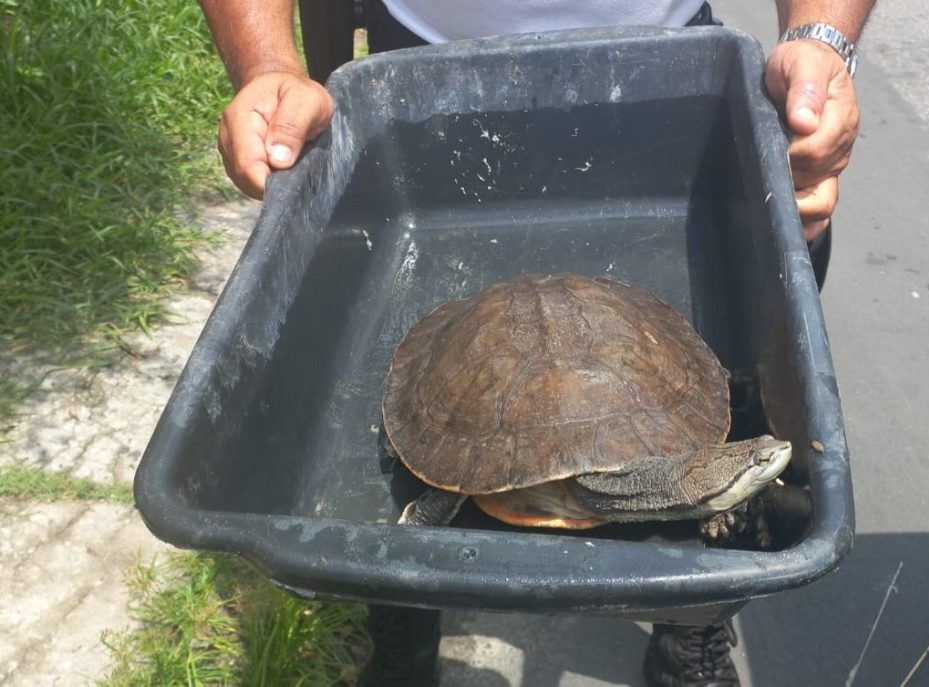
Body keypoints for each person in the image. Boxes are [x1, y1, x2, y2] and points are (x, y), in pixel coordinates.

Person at [198, 2, 876, 685]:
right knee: (411, 525)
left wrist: (821, 38)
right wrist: (271, 66)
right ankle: (403, 631)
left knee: (759, 371)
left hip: (675, 68)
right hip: (421, 65)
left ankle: (691, 624)